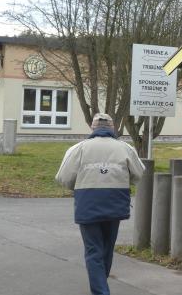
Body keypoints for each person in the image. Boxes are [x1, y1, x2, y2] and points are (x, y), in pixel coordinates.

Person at [56, 113, 145, 295]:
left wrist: (79, 185)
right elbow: (138, 174)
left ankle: (100, 291)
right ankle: (101, 287)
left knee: (93, 250)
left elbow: (63, 178)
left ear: (92, 127)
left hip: (88, 205)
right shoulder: (125, 148)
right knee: (107, 248)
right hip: (115, 203)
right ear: (112, 128)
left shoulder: (78, 148)